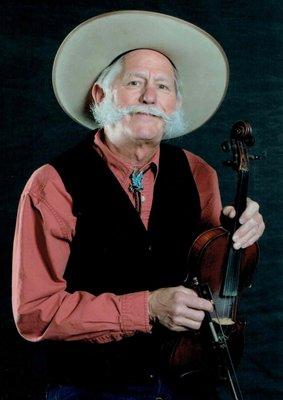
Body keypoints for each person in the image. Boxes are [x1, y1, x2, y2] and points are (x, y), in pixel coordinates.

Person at [12, 11, 265, 400]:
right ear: (100, 95)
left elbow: (215, 278)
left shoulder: (200, 174)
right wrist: (146, 308)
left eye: (163, 86)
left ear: (175, 101)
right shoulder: (51, 185)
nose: (150, 97)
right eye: (135, 82)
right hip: (90, 388)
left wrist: (241, 233)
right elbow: (35, 313)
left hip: (188, 379)